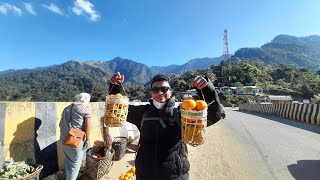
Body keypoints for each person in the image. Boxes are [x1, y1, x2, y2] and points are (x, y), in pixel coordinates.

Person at [109, 72, 221, 180]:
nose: (160, 93)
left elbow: (213, 114)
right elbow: (119, 108)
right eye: (155, 89)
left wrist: (206, 89)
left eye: (164, 89)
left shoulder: (183, 113)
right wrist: (116, 87)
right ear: (151, 93)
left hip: (175, 175)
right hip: (145, 174)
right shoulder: (142, 112)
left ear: (171, 92)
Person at [59, 93, 91, 180]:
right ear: (85, 100)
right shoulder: (84, 108)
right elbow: (88, 126)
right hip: (75, 141)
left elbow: (60, 124)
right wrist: (87, 139)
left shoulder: (67, 108)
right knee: (75, 165)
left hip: (63, 140)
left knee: (69, 162)